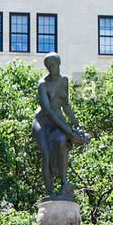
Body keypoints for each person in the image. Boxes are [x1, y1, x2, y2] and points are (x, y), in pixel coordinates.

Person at [31, 53, 91, 201]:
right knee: (46, 153)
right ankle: (50, 193)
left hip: (57, 119)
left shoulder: (64, 81)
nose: (51, 69)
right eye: (48, 66)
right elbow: (48, 111)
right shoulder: (42, 84)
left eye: (53, 65)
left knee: (61, 140)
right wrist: (68, 129)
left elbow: (66, 106)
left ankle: (64, 184)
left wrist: (77, 124)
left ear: (59, 64)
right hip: (43, 122)